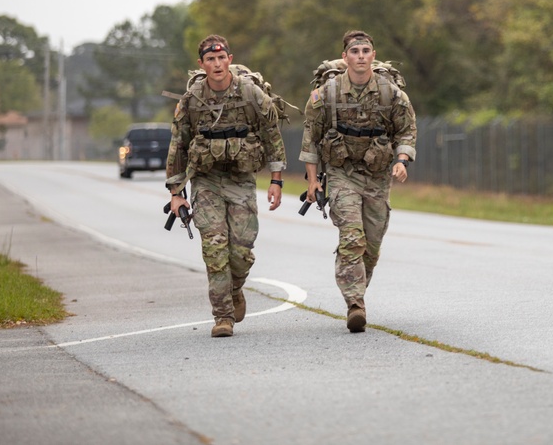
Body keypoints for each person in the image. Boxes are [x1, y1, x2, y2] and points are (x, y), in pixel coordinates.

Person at [166, 35, 286, 338]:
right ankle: (223, 316)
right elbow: (178, 147)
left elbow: (272, 134)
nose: (217, 64)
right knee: (215, 248)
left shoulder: (251, 93)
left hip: (242, 180)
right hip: (206, 181)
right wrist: (176, 194)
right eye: (210, 59)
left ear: (229, 59)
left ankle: (234, 289)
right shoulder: (191, 100)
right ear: (202, 64)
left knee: (241, 251)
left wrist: (276, 180)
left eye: (221, 58)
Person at [300, 30, 417, 332]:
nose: (361, 56)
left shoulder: (392, 94)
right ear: (345, 57)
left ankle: (358, 289)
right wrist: (313, 182)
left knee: (372, 246)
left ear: (373, 56)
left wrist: (402, 161)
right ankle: (355, 304)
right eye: (355, 51)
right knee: (352, 237)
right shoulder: (326, 95)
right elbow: (310, 141)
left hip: (377, 177)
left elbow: (406, 131)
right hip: (342, 174)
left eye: (366, 50)